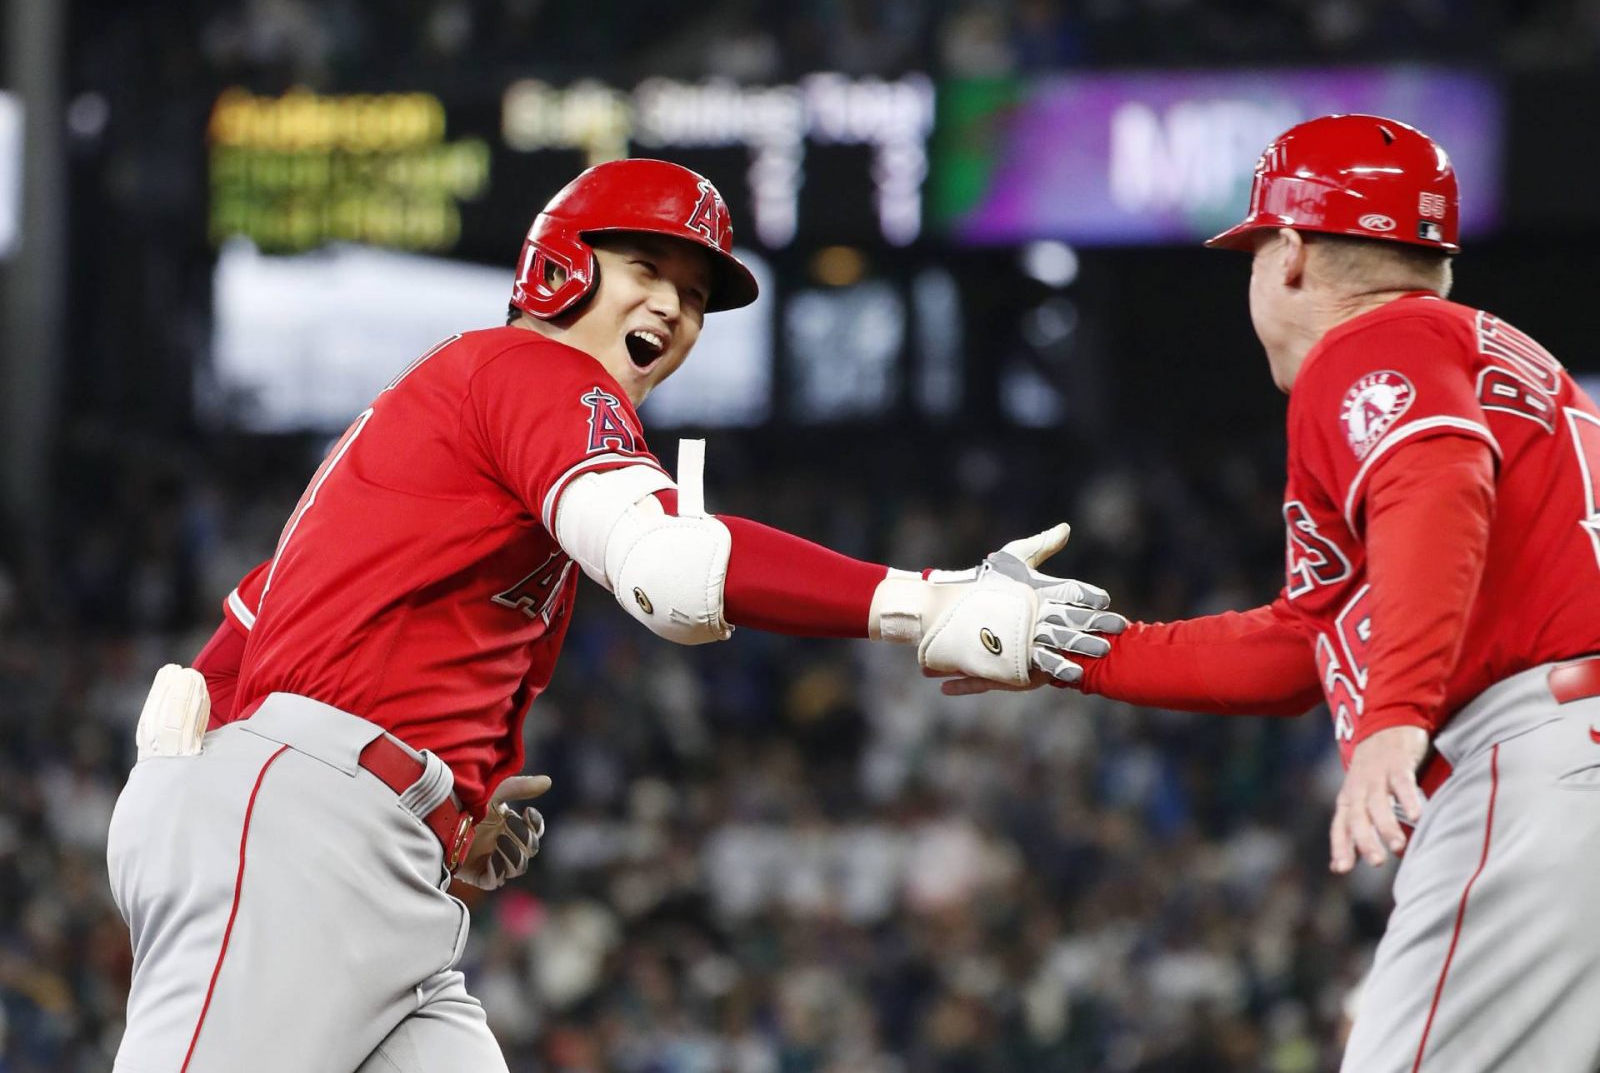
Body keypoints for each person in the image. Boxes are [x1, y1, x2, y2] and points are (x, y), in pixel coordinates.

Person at [106, 158, 1124, 1073]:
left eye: (692, 296)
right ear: (561, 267)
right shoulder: (534, 370)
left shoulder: (461, 412)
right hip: (304, 833)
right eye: (646, 267)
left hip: (348, 839)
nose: (673, 309)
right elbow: (673, 576)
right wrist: (931, 603)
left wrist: (442, 799)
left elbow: (239, 641)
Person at [945, 114, 1600, 1070]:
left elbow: (1437, 483)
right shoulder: (1493, 359)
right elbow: (1304, 643)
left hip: (1540, 762)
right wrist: (1076, 653)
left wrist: (1395, 713)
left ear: (1290, 253)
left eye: (1253, 253)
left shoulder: (1373, 344)